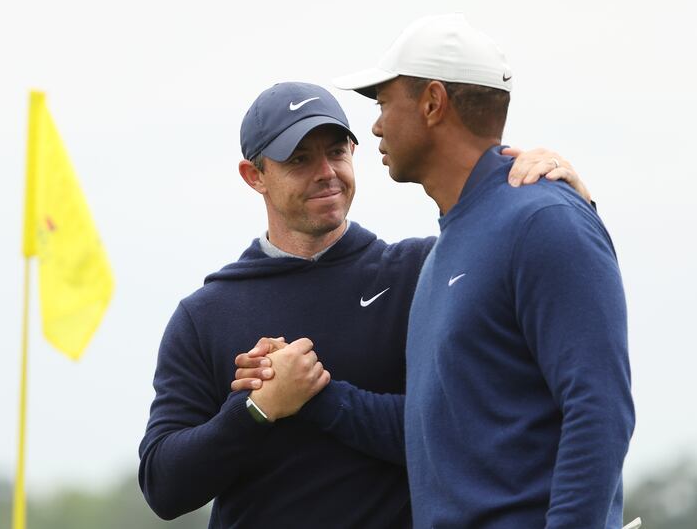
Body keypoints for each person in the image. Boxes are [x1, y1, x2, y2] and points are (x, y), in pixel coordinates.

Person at [138, 80, 591, 528]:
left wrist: (572, 201)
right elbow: (164, 488)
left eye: (336, 152)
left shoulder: (422, 272)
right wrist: (257, 409)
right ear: (253, 175)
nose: (326, 172)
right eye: (299, 159)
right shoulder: (206, 315)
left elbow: (464, 430)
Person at [328, 13, 635, 528]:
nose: (376, 125)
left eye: (382, 103)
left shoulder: (544, 220)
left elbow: (599, 409)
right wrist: (318, 397)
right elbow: (439, 429)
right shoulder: (453, 244)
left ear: (432, 102)